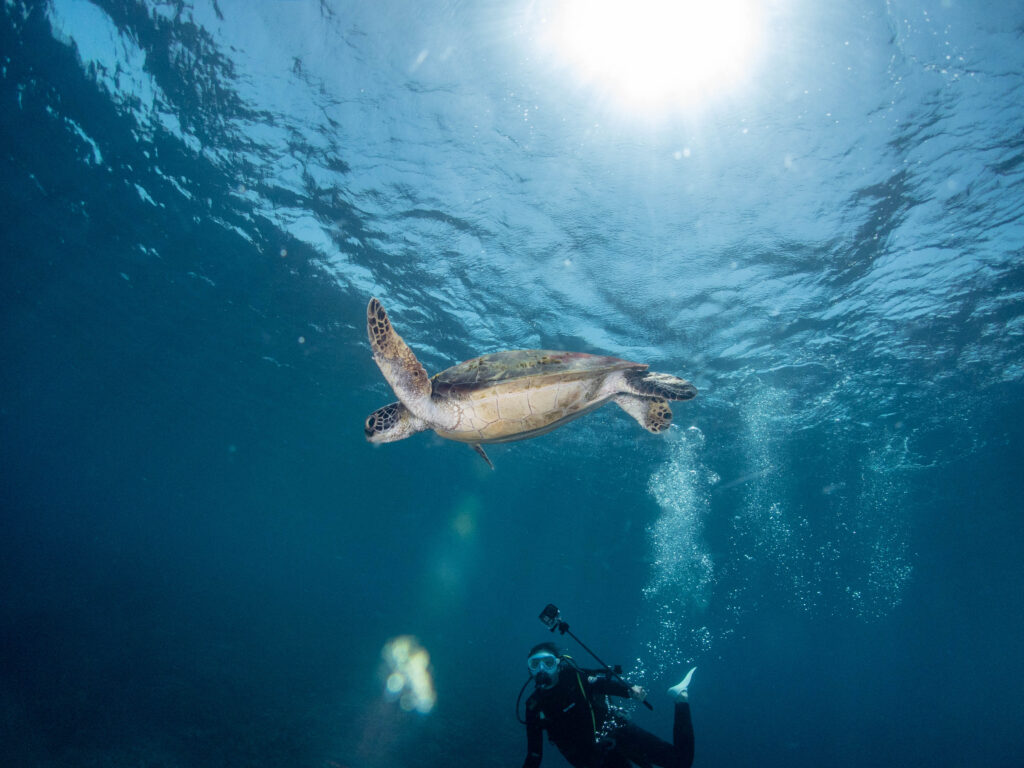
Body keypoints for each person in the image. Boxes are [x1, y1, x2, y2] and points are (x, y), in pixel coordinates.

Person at [521, 642, 696, 768]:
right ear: (530, 670)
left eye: (548, 662)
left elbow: (601, 683)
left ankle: (680, 696)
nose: (542, 669)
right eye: (535, 664)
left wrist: (629, 691)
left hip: (616, 731)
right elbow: (534, 754)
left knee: (681, 762)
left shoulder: (575, 677)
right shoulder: (534, 706)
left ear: (558, 665)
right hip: (590, 759)